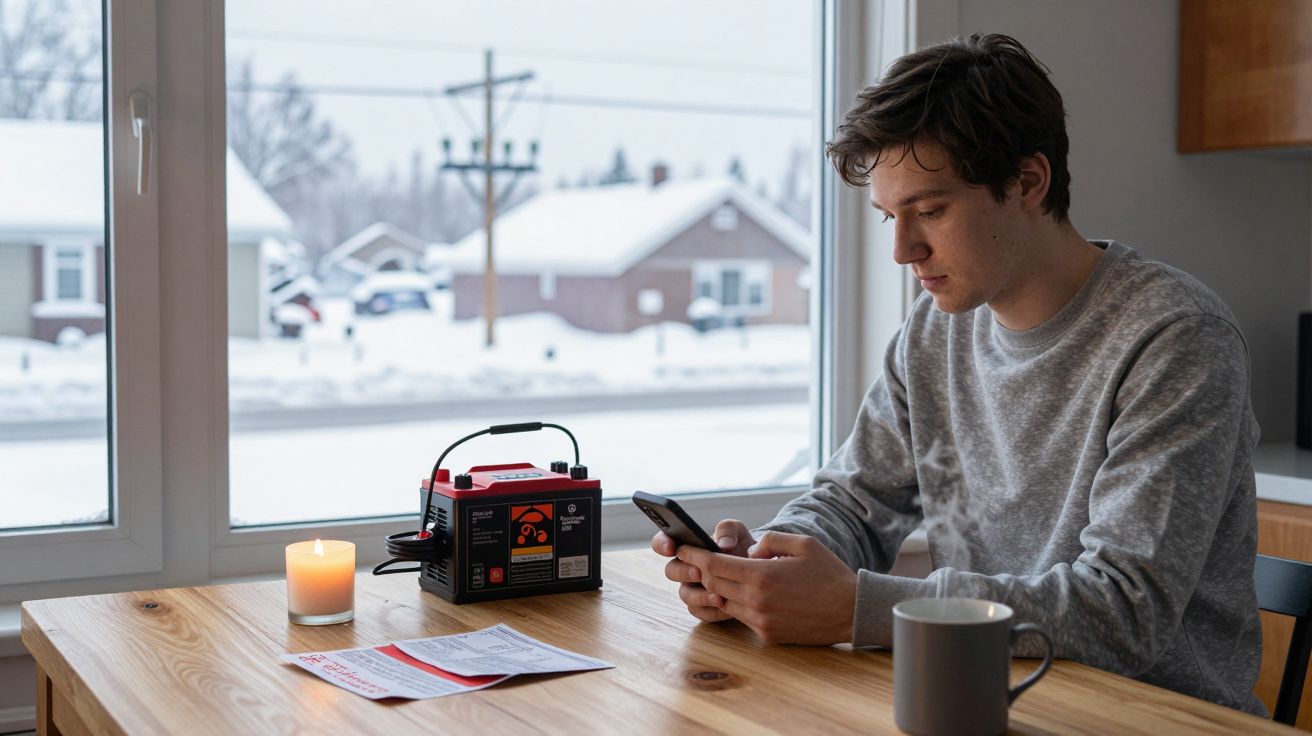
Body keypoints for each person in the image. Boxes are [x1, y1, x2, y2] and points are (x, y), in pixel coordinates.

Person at [651, 33, 1265, 715]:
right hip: (980, 700)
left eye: (931, 210)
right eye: (890, 216)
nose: (902, 250)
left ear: (1029, 182)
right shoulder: (935, 328)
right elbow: (855, 502)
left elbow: (1126, 612)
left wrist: (858, 609)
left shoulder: (1174, 336)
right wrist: (769, 567)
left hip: (1151, 720)